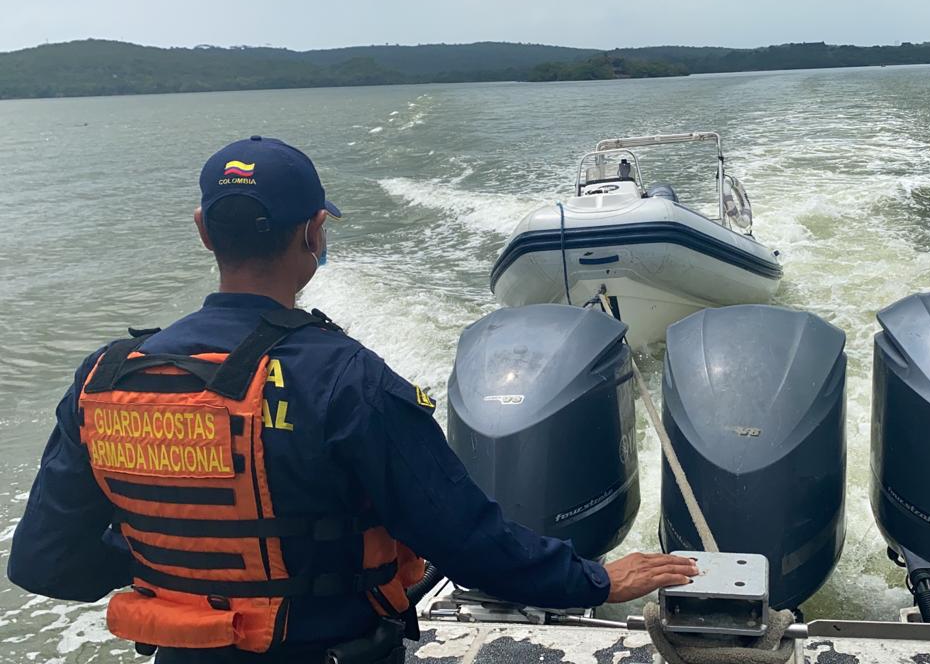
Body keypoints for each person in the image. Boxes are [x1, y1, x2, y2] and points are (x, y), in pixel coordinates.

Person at [7, 136, 698, 663]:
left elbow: (44, 564)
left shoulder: (107, 378)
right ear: (314, 233)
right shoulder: (346, 381)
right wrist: (598, 582)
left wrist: (182, 554)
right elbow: (468, 541)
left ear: (202, 229)